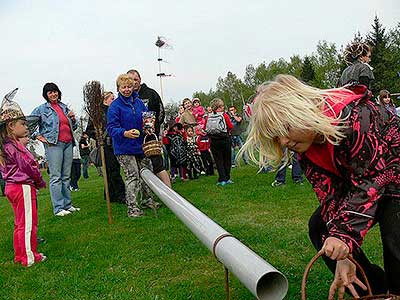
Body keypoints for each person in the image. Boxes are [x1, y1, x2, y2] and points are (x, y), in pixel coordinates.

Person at [241, 74, 400, 298]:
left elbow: (371, 180)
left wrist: (345, 236)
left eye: (286, 127)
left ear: (303, 111)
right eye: (276, 136)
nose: (284, 141)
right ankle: (374, 290)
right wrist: (344, 255)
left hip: (395, 179)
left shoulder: (355, 116)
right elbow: (330, 197)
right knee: (321, 227)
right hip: (367, 181)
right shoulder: (306, 151)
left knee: (396, 241)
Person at [0, 89, 47, 267]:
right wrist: (40, 181)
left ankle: (20, 255)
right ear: (11, 126)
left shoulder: (5, 146)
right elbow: (30, 165)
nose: (26, 127)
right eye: (22, 123)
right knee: (28, 223)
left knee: (19, 223)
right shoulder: (16, 147)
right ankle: (29, 257)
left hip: (11, 188)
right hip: (22, 187)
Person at [107, 74, 157, 218]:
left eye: (129, 86)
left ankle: (147, 199)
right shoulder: (115, 106)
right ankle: (133, 208)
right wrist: (125, 133)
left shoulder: (139, 102)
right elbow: (111, 128)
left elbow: (145, 118)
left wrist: (148, 126)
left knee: (147, 173)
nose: (127, 89)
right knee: (132, 176)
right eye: (124, 87)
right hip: (123, 147)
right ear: (119, 88)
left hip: (140, 145)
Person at [31, 83, 80, 217]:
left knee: (66, 176)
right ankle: (58, 208)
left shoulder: (64, 107)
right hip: (54, 144)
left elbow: (73, 127)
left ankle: (67, 205)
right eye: (50, 92)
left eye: (55, 91)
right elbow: (29, 123)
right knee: (56, 176)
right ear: (46, 95)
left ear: (58, 92)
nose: (53, 94)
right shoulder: (41, 109)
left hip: (68, 143)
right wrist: (37, 136)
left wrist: (73, 119)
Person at [127, 69, 171, 188]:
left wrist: (155, 128)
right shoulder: (127, 97)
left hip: (150, 136)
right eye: (131, 80)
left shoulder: (151, 93)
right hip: (135, 138)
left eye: (135, 79)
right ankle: (150, 193)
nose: (133, 82)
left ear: (140, 80)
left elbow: (161, 113)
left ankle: (170, 191)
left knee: (157, 163)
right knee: (142, 167)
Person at [86, 91, 126, 203]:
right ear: (105, 100)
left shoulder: (116, 110)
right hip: (106, 145)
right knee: (112, 170)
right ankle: (121, 194)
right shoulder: (97, 114)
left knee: (111, 170)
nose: (114, 100)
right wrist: (98, 135)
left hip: (116, 143)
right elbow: (89, 130)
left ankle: (110, 194)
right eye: (112, 98)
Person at [205, 98, 233, 186]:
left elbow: (206, 128)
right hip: (224, 139)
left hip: (213, 140)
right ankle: (227, 178)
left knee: (218, 160)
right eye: (222, 106)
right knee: (227, 159)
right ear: (219, 107)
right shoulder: (224, 115)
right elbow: (230, 126)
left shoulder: (208, 116)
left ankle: (222, 179)